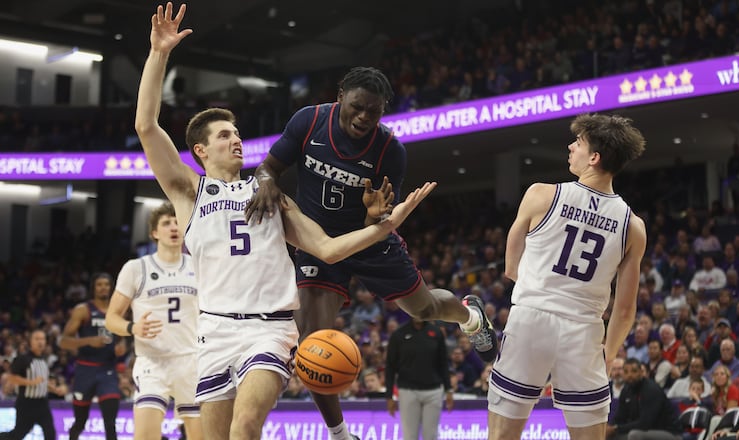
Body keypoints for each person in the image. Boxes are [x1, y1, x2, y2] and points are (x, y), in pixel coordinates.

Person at [134, 4, 436, 439]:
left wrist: (387, 224)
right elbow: (146, 125)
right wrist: (159, 53)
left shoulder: (272, 195)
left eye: (237, 133)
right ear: (200, 151)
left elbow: (329, 249)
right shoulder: (190, 192)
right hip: (214, 330)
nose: (235, 139)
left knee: (245, 427)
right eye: (224, 135)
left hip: (268, 329)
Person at [245, 66, 496, 440]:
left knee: (425, 310)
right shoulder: (309, 121)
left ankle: (469, 316)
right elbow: (268, 167)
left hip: (368, 240)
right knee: (314, 343)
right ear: (340, 96)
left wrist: (374, 215)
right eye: (357, 107)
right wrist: (265, 181)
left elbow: (379, 218)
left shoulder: (390, 150)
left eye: (373, 111)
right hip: (317, 243)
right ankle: (341, 434)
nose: (364, 117)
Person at [489, 114, 647, 440]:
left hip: (531, 320)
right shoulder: (633, 226)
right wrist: (610, 353)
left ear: (594, 157)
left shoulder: (541, 194)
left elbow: (510, 267)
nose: (570, 146)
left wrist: (539, 289)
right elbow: (625, 309)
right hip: (584, 330)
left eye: (579, 142)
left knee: (503, 435)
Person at [104, 202, 203, 440]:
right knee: (146, 436)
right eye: (166, 223)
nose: (174, 226)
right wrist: (133, 327)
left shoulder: (199, 266)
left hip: (192, 360)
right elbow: (111, 318)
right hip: (152, 363)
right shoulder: (137, 268)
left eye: (178, 221)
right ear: (154, 233)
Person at [59, 272, 126, 440]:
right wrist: (88, 341)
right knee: (80, 422)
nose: (103, 287)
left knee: (110, 423)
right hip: (85, 370)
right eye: (99, 284)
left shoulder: (118, 310)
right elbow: (63, 342)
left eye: (106, 284)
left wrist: (121, 346)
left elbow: (122, 338)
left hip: (107, 371)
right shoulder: (83, 310)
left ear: (112, 287)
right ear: (93, 288)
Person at [385, 317, 453, 440]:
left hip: (433, 391)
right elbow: (390, 366)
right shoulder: (399, 334)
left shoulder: (436, 333)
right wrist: (389, 395)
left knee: (431, 436)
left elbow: (443, 363)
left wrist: (449, 389)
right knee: (410, 436)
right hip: (408, 391)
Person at [606, 358, 682, 440]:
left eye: (634, 371)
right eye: (626, 372)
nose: (630, 375)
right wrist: (610, 428)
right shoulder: (626, 390)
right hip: (644, 431)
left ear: (641, 373)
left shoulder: (651, 389)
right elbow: (619, 416)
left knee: (634, 435)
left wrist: (616, 428)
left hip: (668, 432)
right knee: (610, 435)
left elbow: (645, 423)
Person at [0, 330, 55, 440]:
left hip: (42, 404)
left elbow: (42, 382)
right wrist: (31, 382)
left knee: (50, 434)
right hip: (26, 404)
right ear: (30, 342)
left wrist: (55, 389)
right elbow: (11, 377)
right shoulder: (22, 359)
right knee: (17, 435)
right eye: (37, 339)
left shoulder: (44, 360)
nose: (40, 342)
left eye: (42, 339)